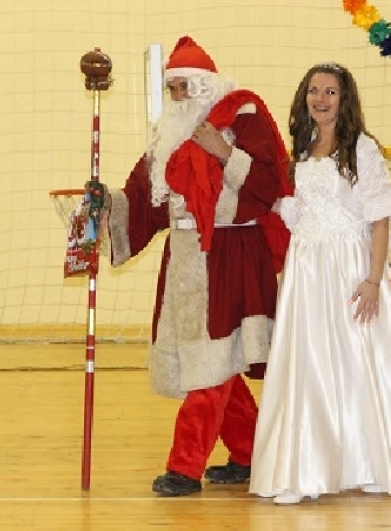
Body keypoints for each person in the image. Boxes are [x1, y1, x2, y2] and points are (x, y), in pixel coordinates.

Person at [248, 62, 391, 505]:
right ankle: (304, 471)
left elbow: (379, 219)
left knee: (359, 360)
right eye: (313, 91)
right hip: (307, 269)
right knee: (310, 363)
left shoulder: (362, 149)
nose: (320, 99)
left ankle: (373, 464)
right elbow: (300, 212)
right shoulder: (302, 149)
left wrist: (374, 280)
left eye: (330, 92)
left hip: (348, 267)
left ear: (345, 100)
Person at [99, 36, 291, 497]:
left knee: (210, 366)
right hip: (185, 262)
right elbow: (141, 200)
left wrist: (224, 152)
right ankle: (252, 452)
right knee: (216, 365)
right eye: (173, 88)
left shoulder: (243, 117)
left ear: (206, 85)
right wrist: (103, 202)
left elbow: (273, 184)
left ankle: (184, 468)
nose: (179, 96)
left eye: (186, 86)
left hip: (231, 253)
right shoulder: (167, 136)